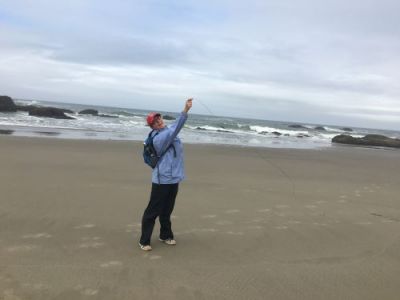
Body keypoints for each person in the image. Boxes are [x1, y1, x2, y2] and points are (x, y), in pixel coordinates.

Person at [139, 98, 193, 251]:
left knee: (167, 209)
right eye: (155, 122)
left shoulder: (165, 131)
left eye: (159, 119)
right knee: (152, 210)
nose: (159, 122)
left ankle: (165, 235)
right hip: (162, 179)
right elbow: (177, 127)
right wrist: (185, 110)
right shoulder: (161, 137)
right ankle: (144, 240)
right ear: (152, 126)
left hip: (173, 178)